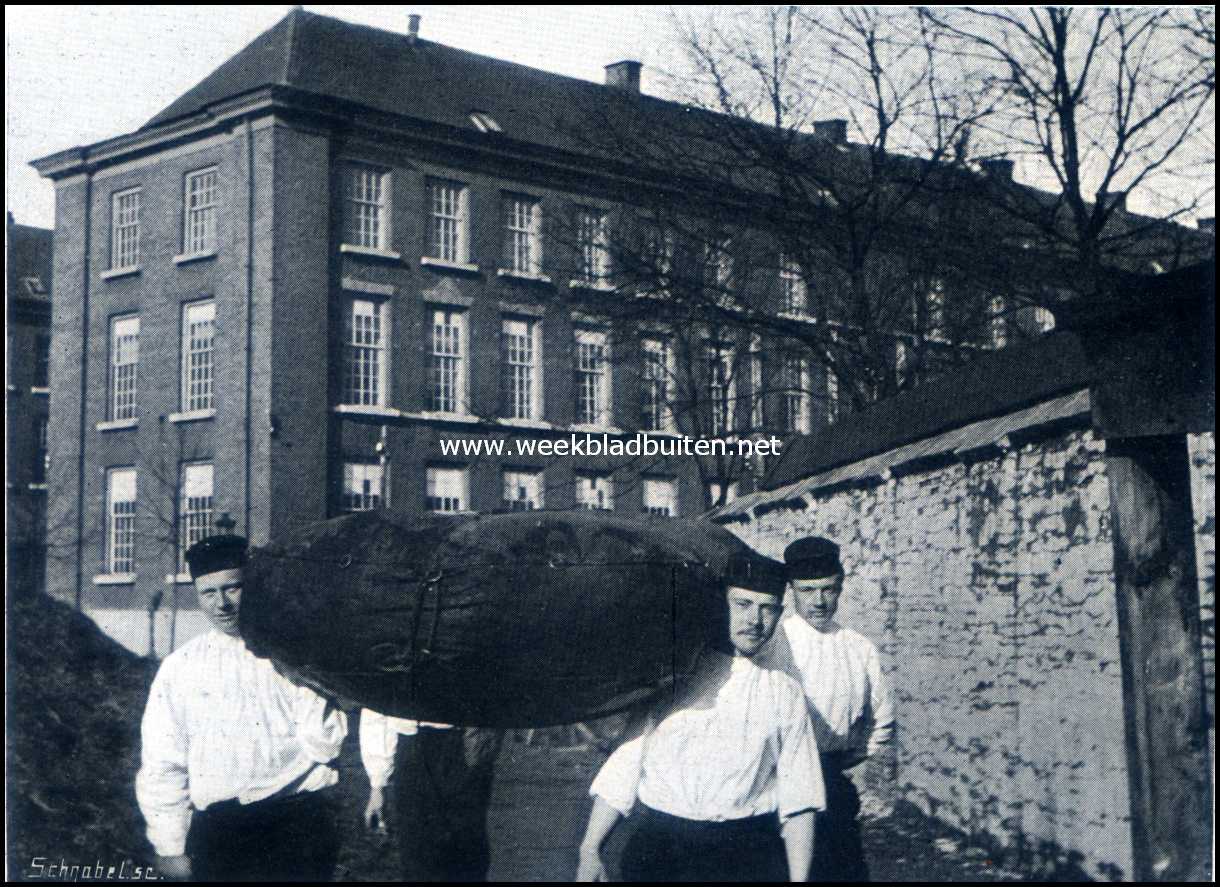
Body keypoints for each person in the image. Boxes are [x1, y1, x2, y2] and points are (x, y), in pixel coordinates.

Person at [576, 555, 824, 883]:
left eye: (768, 608)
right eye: (743, 604)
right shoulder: (675, 674)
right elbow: (623, 768)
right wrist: (590, 850)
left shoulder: (784, 691)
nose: (755, 620)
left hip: (744, 854)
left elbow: (800, 795)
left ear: (779, 613)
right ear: (721, 604)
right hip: (662, 851)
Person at [135, 533, 348, 882]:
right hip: (221, 834)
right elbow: (163, 761)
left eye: (232, 588)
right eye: (209, 592)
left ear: (251, 587)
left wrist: (303, 670)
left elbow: (326, 745)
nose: (222, 604)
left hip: (295, 827)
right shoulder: (180, 667)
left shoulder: (291, 653)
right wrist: (170, 845)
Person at [770, 536, 895, 882]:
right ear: (792, 590)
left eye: (828, 589)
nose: (819, 601)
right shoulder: (776, 644)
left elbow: (882, 718)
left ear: (840, 588)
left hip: (833, 779)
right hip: (780, 783)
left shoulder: (858, 648)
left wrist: (852, 761)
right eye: (808, 590)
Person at [359, 711, 502, 881]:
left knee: (467, 854)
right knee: (418, 855)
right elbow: (377, 705)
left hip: (467, 741)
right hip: (413, 746)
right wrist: (377, 785)